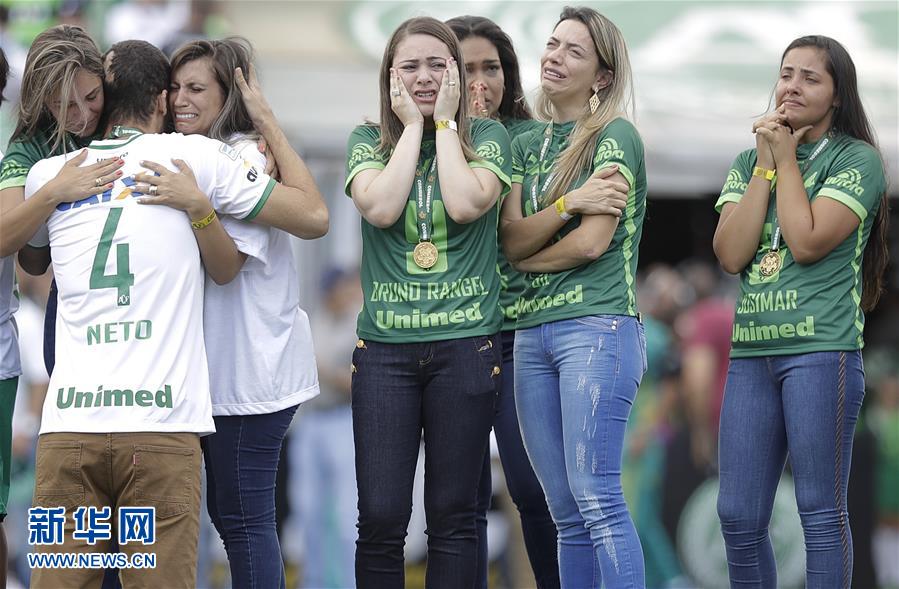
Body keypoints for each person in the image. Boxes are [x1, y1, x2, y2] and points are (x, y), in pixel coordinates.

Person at [22, 38, 325, 588]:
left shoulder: (49, 175)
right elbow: (312, 216)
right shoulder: (200, 159)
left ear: (102, 99)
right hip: (160, 432)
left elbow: (30, 255)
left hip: (69, 432)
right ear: (160, 102)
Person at [137, 37, 326, 588]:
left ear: (231, 96)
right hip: (211, 375)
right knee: (230, 519)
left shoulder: (242, 155)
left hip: (251, 373)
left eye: (197, 88)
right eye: (173, 88)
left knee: (245, 522)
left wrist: (198, 206)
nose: (180, 100)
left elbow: (228, 264)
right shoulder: (193, 153)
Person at [713, 35, 889, 588]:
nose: (791, 85)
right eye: (786, 73)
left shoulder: (857, 158)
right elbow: (730, 253)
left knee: (819, 511)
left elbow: (808, 239)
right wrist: (766, 168)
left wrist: (785, 160)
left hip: (821, 352)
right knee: (738, 516)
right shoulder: (750, 160)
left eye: (810, 77)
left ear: (838, 95)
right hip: (751, 358)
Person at [344, 16, 511, 588]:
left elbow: (466, 204)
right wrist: (412, 127)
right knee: (384, 517)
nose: (424, 76)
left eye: (437, 65)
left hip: (466, 346)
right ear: (390, 77)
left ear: (458, 76)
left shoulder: (488, 139)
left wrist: (442, 123)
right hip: (386, 353)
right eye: (409, 66)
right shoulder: (367, 140)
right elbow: (383, 208)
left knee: (455, 515)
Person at [500, 6, 647, 587]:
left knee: (596, 496)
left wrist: (529, 254)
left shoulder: (615, 135)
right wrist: (566, 203)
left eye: (574, 51)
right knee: (563, 511)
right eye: (552, 45)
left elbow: (591, 244)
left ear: (603, 76)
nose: (554, 57)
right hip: (531, 332)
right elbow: (509, 237)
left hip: (597, 326)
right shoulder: (524, 141)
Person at [445, 14, 559, 588]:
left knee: (533, 491)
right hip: (448, 339)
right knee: (458, 502)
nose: (480, 81)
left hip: (518, 336)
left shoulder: (531, 141)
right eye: (466, 70)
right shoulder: (415, 145)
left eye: (491, 67)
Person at [0, 25, 126, 376]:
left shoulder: (129, 111)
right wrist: (55, 191)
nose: (84, 115)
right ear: (43, 101)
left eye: (91, 96)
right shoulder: (29, 149)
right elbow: (24, 256)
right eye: (65, 105)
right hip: (76, 307)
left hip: (145, 297)